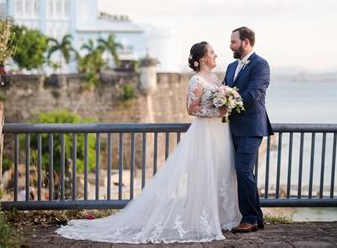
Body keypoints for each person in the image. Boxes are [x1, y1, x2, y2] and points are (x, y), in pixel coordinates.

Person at [56, 42, 241, 244]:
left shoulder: (215, 78)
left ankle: (224, 217)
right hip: (204, 133)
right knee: (204, 173)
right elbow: (191, 109)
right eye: (212, 52)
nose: (216, 55)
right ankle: (203, 220)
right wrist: (217, 112)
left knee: (220, 172)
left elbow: (219, 102)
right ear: (203, 57)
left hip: (220, 132)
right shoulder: (195, 80)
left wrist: (228, 104)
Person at [224, 27, 273, 233]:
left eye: (233, 42)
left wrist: (229, 104)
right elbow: (226, 89)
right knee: (244, 172)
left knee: (243, 170)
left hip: (252, 127)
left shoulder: (261, 65)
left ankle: (249, 218)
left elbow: (254, 93)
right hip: (232, 128)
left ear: (246, 42)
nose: (230, 45)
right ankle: (258, 217)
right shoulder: (230, 66)